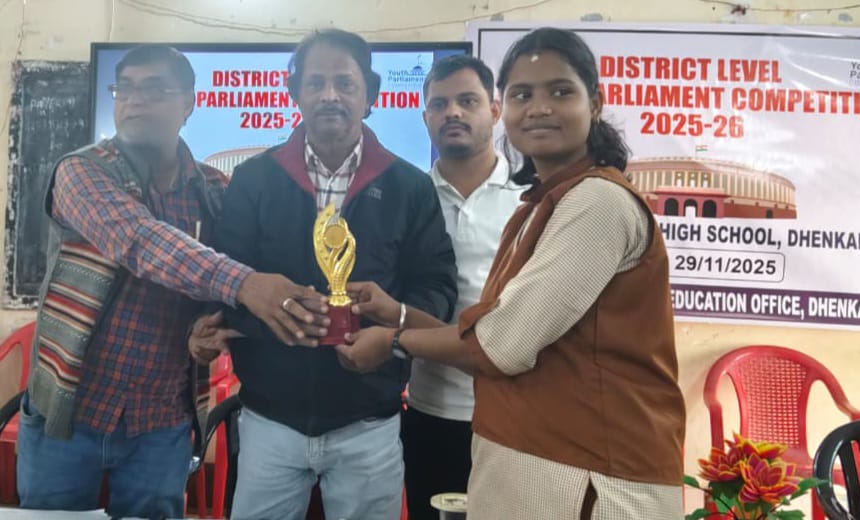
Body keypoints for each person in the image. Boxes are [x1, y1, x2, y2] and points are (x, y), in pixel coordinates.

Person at [338, 27, 686, 519]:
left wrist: (394, 339)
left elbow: (502, 343)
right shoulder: (541, 204)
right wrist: (395, 314)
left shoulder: (597, 202)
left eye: (560, 92)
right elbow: (493, 330)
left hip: (590, 470)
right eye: (523, 94)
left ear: (596, 103)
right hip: (518, 444)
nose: (539, 108)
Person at [16, 45, 320, 519]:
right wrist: (248, 285)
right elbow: (139, 241)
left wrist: (208, 326)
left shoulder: (215, 191)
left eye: (155, 89)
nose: (135, 100)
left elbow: (218, 279)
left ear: (189, 103)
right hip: (71, 411)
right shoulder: (82, 170)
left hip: (161, 419)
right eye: (125, 89)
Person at [207, 29, 457, 520]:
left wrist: (391, 332)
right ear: (295, 93)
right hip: (268, 419)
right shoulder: (254, 179)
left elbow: (438, 286)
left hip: (371, 422)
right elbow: (224, 278)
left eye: (344, 83)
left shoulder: (409, 186)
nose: (329, 95)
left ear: (370, 94)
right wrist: (274, 320)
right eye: (315, 82)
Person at [401, 55, 521, 519]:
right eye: (439, 104)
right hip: (429, 410)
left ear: (494, 111)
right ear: (425, 118)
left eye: (467, 101)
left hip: (513, 415)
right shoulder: (408, 199)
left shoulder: (532, 198)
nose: (452, 112)